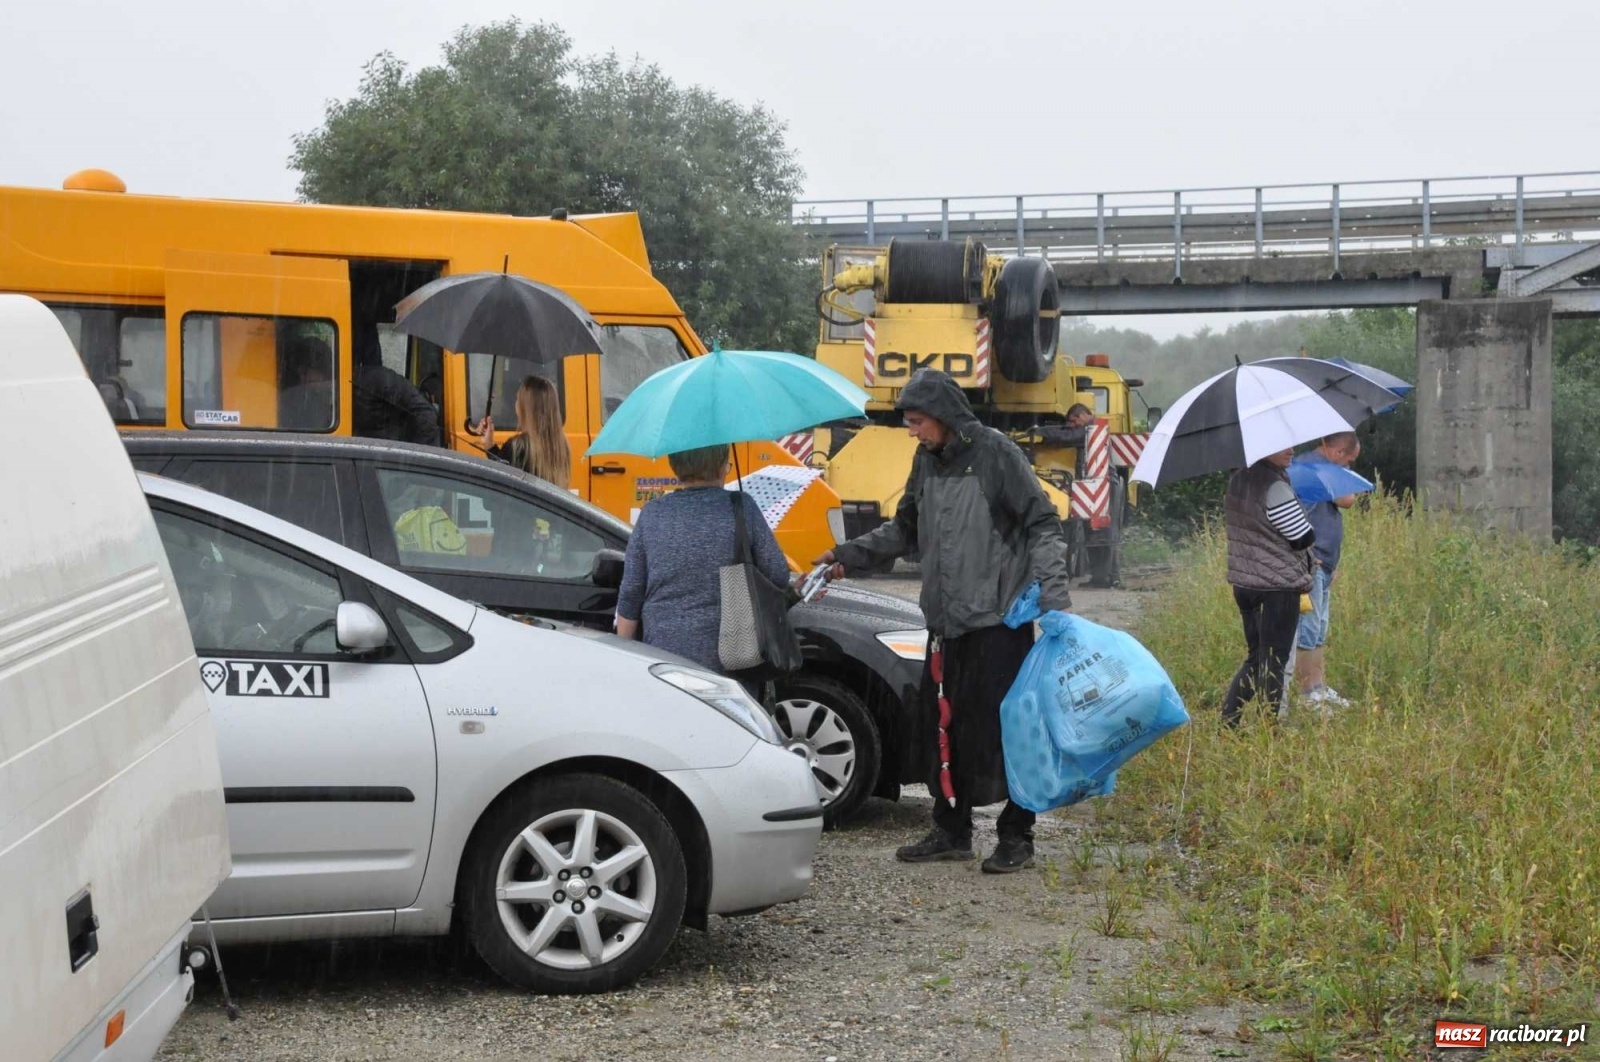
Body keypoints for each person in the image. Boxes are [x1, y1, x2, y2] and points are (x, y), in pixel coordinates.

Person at [813, 369, 1073, 874]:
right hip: (946, 623)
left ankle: (1017, 836)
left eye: (917, 422)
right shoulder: (926, 461)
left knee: (1009, 732)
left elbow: (1043, 524)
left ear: (945, 416)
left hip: (999, 624)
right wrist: (847, 555)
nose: (912, 431)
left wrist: (1055, 594)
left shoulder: (997, 454)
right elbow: (905, 527)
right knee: (945, 731)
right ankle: (952, 830)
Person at [614, 443, 791, 676]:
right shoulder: (741, 506)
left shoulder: (652, 513)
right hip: (732, 657)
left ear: (675, 466)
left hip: (662, 660)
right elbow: (777, 573)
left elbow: (630, 596)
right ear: (721, 466)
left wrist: (625, 663)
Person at [1221, 448, 1315, 727]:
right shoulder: (1274, 486)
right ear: (1263, 448)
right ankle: (1270, 730)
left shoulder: (1238, 480)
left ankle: (1229, 722)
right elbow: (1301, 537)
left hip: (1245, 583)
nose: (1291, 450)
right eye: (1282, 446)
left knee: (1257, 657)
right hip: (1277, 586)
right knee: (1275, 660)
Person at [1291, 432, 1361, 707]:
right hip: (1312, 560)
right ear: (1338, 451)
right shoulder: (1315, 468)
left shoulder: (1321, 466)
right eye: (1349, 461)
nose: (1348, 468)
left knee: (1319, 628)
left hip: (1324, 562)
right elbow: (1348, 499)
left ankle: (1318, 686)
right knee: (1307, 629)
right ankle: (1307, 693)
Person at [476, 375, 572, 489]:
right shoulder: (561, 446)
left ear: (524, 407)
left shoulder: (517, 447)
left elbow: (500, 487)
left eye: (518, 399)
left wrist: (490, 448)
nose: (515, 404)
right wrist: (490, 445)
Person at [1027, 402, 1096, 451]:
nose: (1073, 424)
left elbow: (1069, 436)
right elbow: (1065, 430)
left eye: (1074, 421)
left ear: (1083, 414)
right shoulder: (1089, 425)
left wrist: (1040, 431)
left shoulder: (1094, 427)